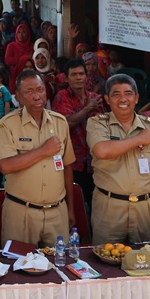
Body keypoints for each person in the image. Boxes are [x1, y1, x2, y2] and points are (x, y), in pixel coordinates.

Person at [86, 74, 150, 244]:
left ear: (136, 98)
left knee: (146, 257)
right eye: (116, 94)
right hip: (109, 208)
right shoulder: (98, 123)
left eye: (128, 93)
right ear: (107, 99)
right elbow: (102, 150)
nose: (123, 99)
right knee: (106, 257)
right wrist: (139, 139)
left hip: (146, 209)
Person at [0, 71, 75, 246]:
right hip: (21, 212)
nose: (37, 96)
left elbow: (67, 166)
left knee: (59, 261)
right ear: (18, 96)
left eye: (40, 89)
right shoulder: (8, 124)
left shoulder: (60, 122)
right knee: (18, 261)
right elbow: (5, 166)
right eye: (29, 91)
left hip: (57, 211)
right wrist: (43, 151)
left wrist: (70, 209)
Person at [51, 58, 105, 209]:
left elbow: (103, 126)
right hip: (73, 163)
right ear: (66, 78)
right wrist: (88, 108)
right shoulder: (62, 96)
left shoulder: (95, 98)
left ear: (86, 77)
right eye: (74, 74)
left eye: (81, 74)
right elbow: (66, 123)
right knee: (75, 206)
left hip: (95, 162)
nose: (78, 78)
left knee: (96, 206)